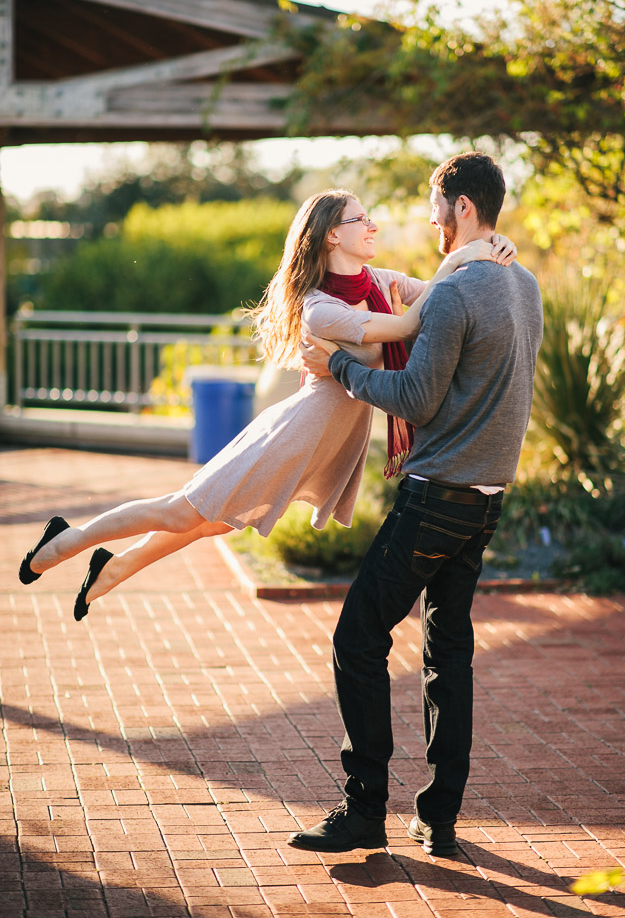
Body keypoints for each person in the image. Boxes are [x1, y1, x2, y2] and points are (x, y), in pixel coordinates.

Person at [18, 189, 516, 622]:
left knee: (206, 521)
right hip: (296, 433)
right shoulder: (320, 308)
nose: (373, 226)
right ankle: (66, 540)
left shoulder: (380, 282)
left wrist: (490, 247)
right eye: (361, 219)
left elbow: (442, 298)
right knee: (181, 512)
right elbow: (409, 326)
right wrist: (458, 258)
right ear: (331, 236)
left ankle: (115, 567)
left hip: (324, 440)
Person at [287, 153, 543, 857]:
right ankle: (440, 819)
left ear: (463, 208)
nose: (428, 221)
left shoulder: (458, 294)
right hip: (486, 499)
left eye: (436, 207)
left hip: (436, 496)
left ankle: (364, 807)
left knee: (357, 638)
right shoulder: (524, 286)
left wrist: (336, 365)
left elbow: (415, 399)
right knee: (446, 652)